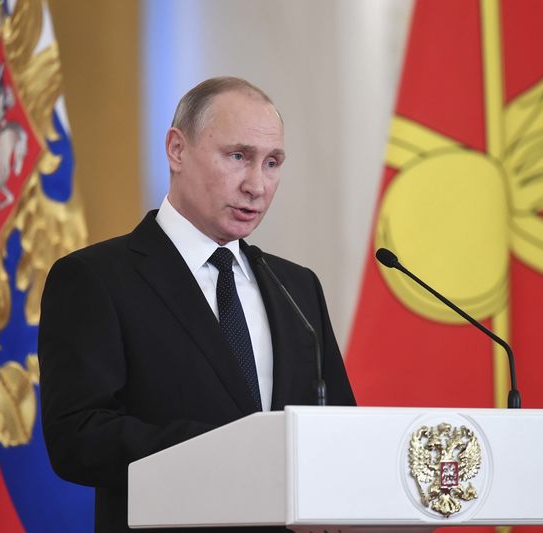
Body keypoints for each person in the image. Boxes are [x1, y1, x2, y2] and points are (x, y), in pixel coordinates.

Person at [38, 77, 355, 533]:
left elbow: (338, 428)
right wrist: (231, 449)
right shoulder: (96, 279)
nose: (257, 185)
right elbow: (78, 438)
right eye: (238, 156)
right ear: (177, 150)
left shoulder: (297, 288)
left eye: (272, 163)